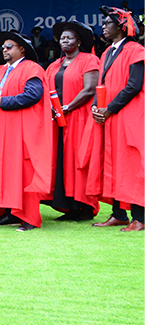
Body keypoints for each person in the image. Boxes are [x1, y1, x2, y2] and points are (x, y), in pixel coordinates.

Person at [0, 33, 52, 231]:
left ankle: (30, 218)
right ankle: (11, 214)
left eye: (9, 47)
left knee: (24, 173)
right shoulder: (2, 72)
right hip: (2, 129)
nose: (4, 50)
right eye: (3, 47)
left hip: (22, 130)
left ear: (22, 49)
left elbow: (33, 95)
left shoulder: (32, 68)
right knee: (7, 172)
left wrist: (2, 102)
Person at [90, 6, 143, 231]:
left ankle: (140, 217)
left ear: (121, 26)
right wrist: (95, 106)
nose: (103, 26)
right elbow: (101, 84)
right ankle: (118, 214)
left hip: (130, 115)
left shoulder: (136, 49)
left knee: (132, 163)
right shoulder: (106, 52)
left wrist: (109, 108)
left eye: (107, 23)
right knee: (114, 163)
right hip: (111, 117)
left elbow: (134, 85)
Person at [45, 21, 100, 221]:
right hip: (56, 119)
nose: (64, 40)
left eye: (69, 37)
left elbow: (89, 89)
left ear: (78, 41)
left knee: (78, 160)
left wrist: (67, 107)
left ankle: (84, 206)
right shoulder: (53, 65)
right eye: (62, 38)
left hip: (78, 117)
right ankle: (68, 206)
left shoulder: (89, 60)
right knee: (61, 160)